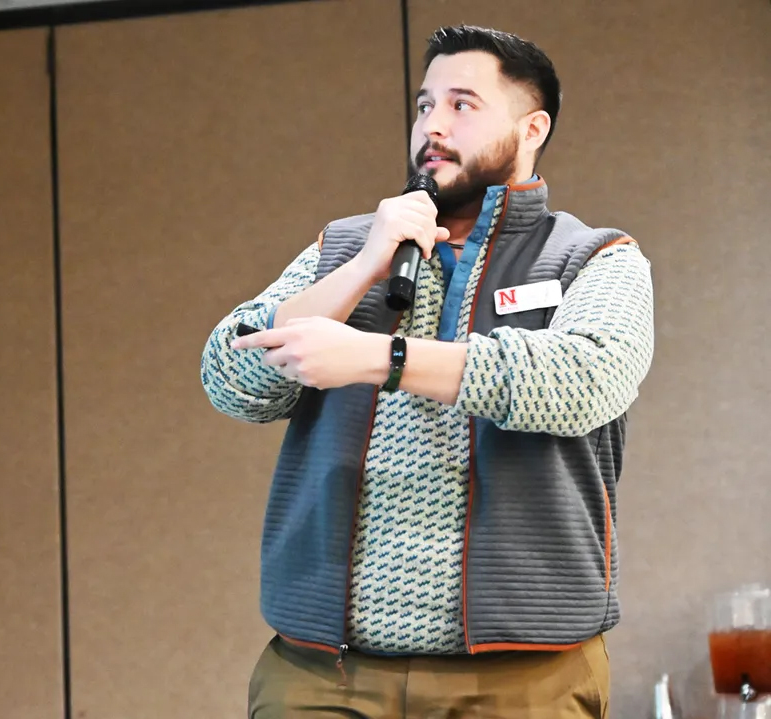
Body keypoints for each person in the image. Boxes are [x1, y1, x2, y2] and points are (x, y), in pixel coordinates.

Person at [201, 25, 654, 718]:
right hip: (324, 674)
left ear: (532, 128)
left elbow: (582, 379)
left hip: (522, 676)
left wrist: (382, 358)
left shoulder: (593, 257)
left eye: (462, 105)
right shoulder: (348, 246)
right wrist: (362, 267)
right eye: (423, 106)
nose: (432, 126)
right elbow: (231, 379)